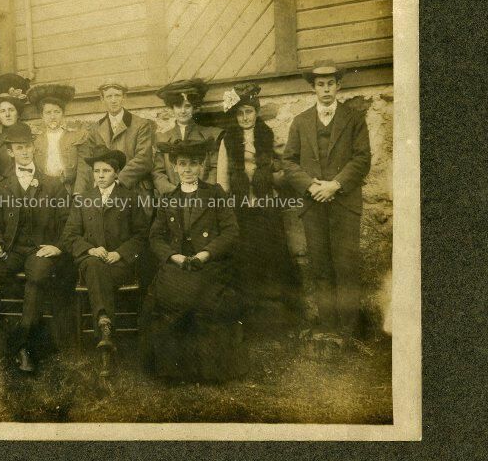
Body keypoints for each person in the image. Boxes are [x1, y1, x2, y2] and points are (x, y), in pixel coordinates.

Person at [143, 139, 247, 382]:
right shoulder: (168, 198)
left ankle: (209, 370)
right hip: (178, 263)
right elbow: (155, 237)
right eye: (182, 164)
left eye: (193, 164)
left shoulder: (215, 193)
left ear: (201, 166)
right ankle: (173, 370)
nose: (187, 169)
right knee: (169, 297)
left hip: (209, 263)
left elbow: (231, 231)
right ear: (175, 167)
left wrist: (205, 254)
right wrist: (173, 256)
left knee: (203, 295)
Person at [281, 60, 372, 340]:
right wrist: (311, 186)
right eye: (320, 85)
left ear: (339, 86)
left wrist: (335, 185)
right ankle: (328, 324)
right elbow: (289, 162)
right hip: (313, 204)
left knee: (346, 265)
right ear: (313, 88)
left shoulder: (354, 119)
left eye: (330, 84)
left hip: (344, 202)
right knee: (320, 265)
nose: (326, 89)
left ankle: (349, 328)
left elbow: (362, 158)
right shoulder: (300, 121)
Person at [0, 122, 70, 375]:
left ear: (33, 148)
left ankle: (24, 345)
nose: (24, 152)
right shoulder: (3, 185)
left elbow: (68, 221)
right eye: (19, 148)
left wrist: (58, 246)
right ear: (10, 152)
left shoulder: (52, 184)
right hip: (12, 248)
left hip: (41, 248)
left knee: (36, 276)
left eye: (27, 146)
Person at [217, 83, 305, 319]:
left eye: (249, 112)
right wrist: (224, 206)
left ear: (256, 113)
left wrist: (273, 176)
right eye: (240, 113)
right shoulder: (227, 140)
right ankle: (249, 314)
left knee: (272, 254)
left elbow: (286, 163)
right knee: (244, 257)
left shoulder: (267, 134)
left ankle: (281, 314)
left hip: (266, 206)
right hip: (240, 208)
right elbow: (222, 178)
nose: (245, 118)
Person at [61, 146, 149, 377]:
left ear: (116, 173)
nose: (100, 175)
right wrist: (91, 249)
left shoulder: (130, 199)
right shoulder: (83, 199)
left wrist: (119, 253)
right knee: (93, 265)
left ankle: (102, 322)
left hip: (120, 264)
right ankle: (106, 335)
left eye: (106, 171)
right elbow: (69, 236)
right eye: (97, 171)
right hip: (91, 260)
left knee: (97, 272)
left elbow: (142, 235)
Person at [74, 82, 155, 196]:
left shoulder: (141, 124)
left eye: (117, 95)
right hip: (106, 192)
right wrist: (79, 192)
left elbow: (144, 159)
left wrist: (117, 181)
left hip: (136, 189)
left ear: (124, 97)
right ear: (102, 99)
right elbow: (87, 162)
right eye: (109, 96)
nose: (113, 100)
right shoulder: (95, 129)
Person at [152, 78, 223, 196]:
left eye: (187, 106)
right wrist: (173, 192)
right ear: (172, 108)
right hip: (173, 198)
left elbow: (214, 168)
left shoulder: (210, 135)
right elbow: (158, 172)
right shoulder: (162, 138)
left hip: (202, 197)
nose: (183, 111)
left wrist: (202, 192)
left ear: (194, 108)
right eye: (178, 106)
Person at [27, 83, 90, 194]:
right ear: (42, 115)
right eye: (48, 112)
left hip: (68, 189)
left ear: (63, 113)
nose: (52, 117)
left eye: (57, 112)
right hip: (43, 191)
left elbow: (83, 168)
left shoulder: (76, 136)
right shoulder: (35, 139)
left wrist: (78, 192)